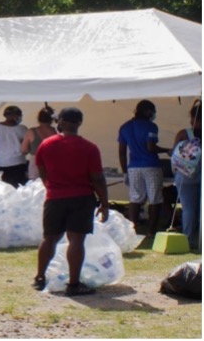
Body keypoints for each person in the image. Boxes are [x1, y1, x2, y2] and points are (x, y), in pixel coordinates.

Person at [33, 107, 109, 297]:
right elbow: (97, 178)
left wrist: (50, 186)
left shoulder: (46, 145)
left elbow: (42, 170)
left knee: (49, 238)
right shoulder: (90, 148)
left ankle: (39, 277)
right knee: (76, 240)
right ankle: (73, 284)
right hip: (81, 198)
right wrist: (104, 203)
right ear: (79, 123)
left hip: (55, 198)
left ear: (61, 122)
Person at [118, 100, 170, 236]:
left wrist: (124, 171)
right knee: (155, 199)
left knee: (135, 199)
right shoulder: (151, 126)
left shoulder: (125, 127)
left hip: (133, 168)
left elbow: (122, 151)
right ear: (148, 111)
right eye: (153, 111)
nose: (154, 114)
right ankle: (152, 232)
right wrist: (167, 150)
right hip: (151, 166)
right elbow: (151, 147)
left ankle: (132, 230)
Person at [171, 100, 201, 250]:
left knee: (188, 209)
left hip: (185, 176)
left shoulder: (183, 133)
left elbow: (173, 153)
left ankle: (189, 239)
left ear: (191, 118)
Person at [0, 105, 28, 187]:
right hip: (19, 161)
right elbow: (25, 147)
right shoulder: (22, 129)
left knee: (5, 187)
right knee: (19, 187)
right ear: (16, 116)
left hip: (2, 162)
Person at [22, 106, 57, 181]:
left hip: (35, 162)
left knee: (35, 187)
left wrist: (32, 151)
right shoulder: (55, 132)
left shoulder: (31, 131)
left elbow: (23, 149)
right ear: (51, 119)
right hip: (51, 162)